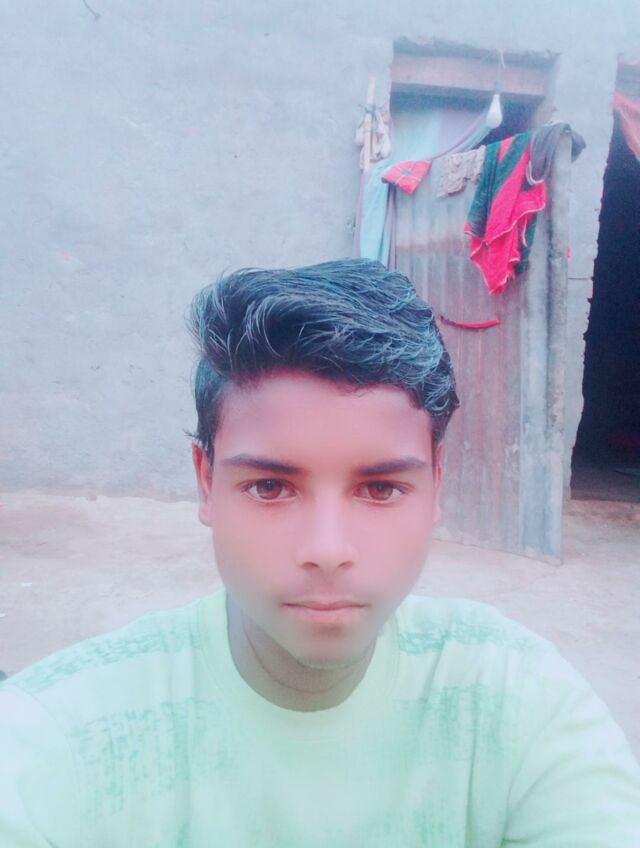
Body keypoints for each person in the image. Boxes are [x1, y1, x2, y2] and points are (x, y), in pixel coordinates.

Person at [1, 258, 639, 846]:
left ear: (436, 486)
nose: (327, 550)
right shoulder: (59, 733)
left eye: (380, 488)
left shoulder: (518, 698)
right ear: (205, 481)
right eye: (270, 487)